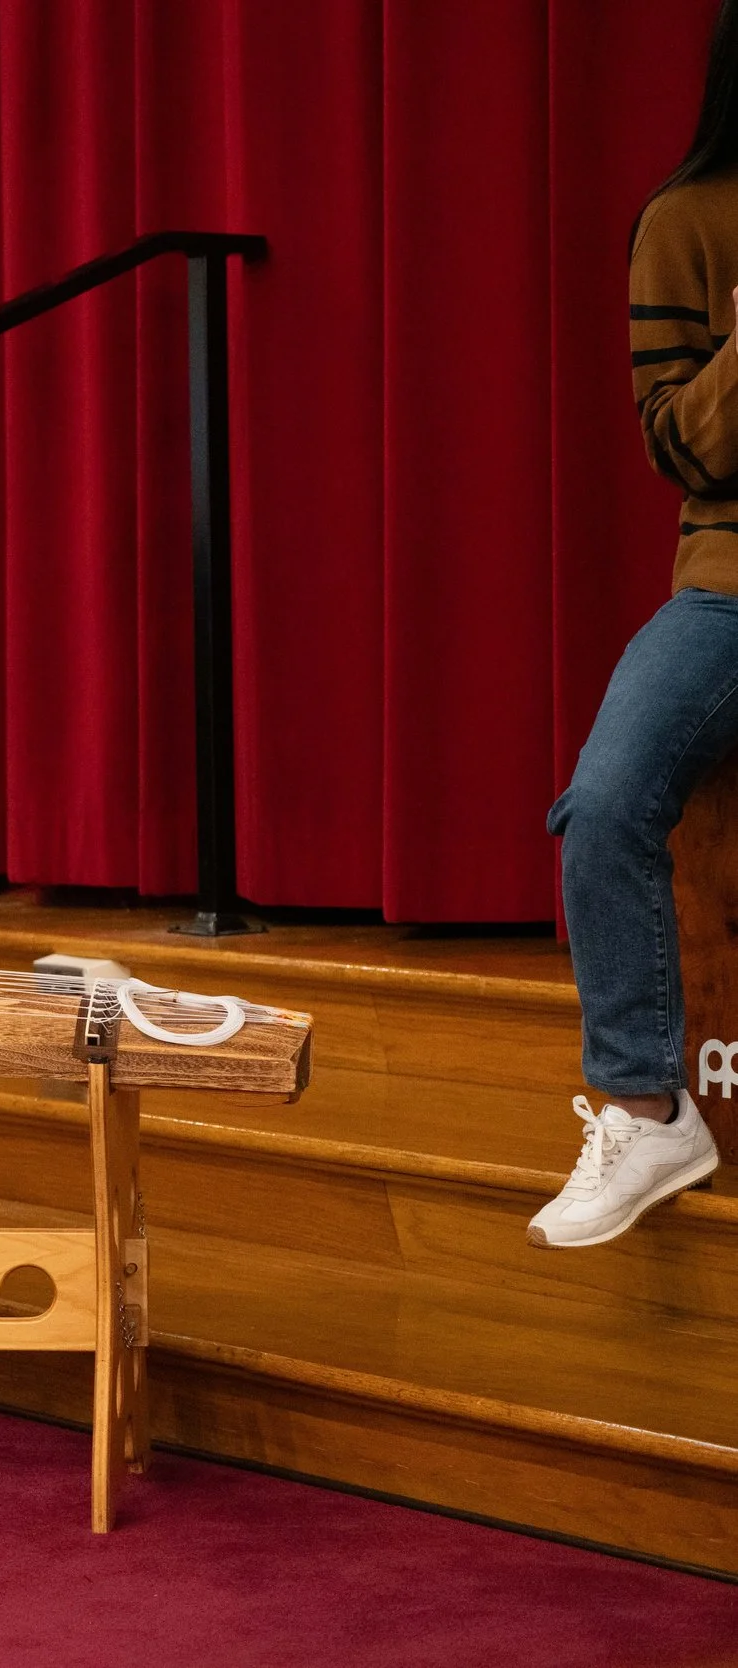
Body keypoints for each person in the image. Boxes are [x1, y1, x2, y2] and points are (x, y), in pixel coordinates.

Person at [537, 0, 738, 1249]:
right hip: (729, 583)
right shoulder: (687, 221)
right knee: (606, 803)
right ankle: (646, 1107)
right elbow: (680, 446)